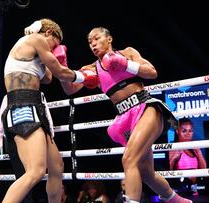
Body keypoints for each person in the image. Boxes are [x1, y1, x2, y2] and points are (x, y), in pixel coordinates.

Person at [59, 27, 192, 203]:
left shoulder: (128, 53)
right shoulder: (92, 69)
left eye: (97, 39)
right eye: (90, 42)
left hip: (146, 108)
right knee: (146, 174)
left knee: (129, 160)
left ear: (109, 39)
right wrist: (61, 66)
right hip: (125, 117)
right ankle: (177, 200)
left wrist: (125, 64)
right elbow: (70, 89)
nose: (93, 44)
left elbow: (152, 72)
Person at [0, 18, 96, 203]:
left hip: (35, 105)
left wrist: (58, 60)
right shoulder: (36, 40)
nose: (54, 48)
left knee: (57, 167)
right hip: (23, 105)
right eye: (55, 44)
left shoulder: (34, 50)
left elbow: (49, 78)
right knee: (35, 172)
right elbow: (60, 73)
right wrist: (83, 76)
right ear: (49, 33)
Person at [0, 95, 34, 203]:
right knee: (23, 175)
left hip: (32, 138)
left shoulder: (35, 93)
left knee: (32, 175)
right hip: (16, 139)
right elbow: (1, 118)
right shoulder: (9, 96)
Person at [168, 118, 207, 196]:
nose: (188, 133)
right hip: (180, 192)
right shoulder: (173, 148)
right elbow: (167, 174)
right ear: (177, 131)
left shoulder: (195, 148)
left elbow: (205, 172)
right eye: (184, 131)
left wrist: (199, 153)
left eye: (190, 130)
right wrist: (173, 159)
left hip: (195, 191)